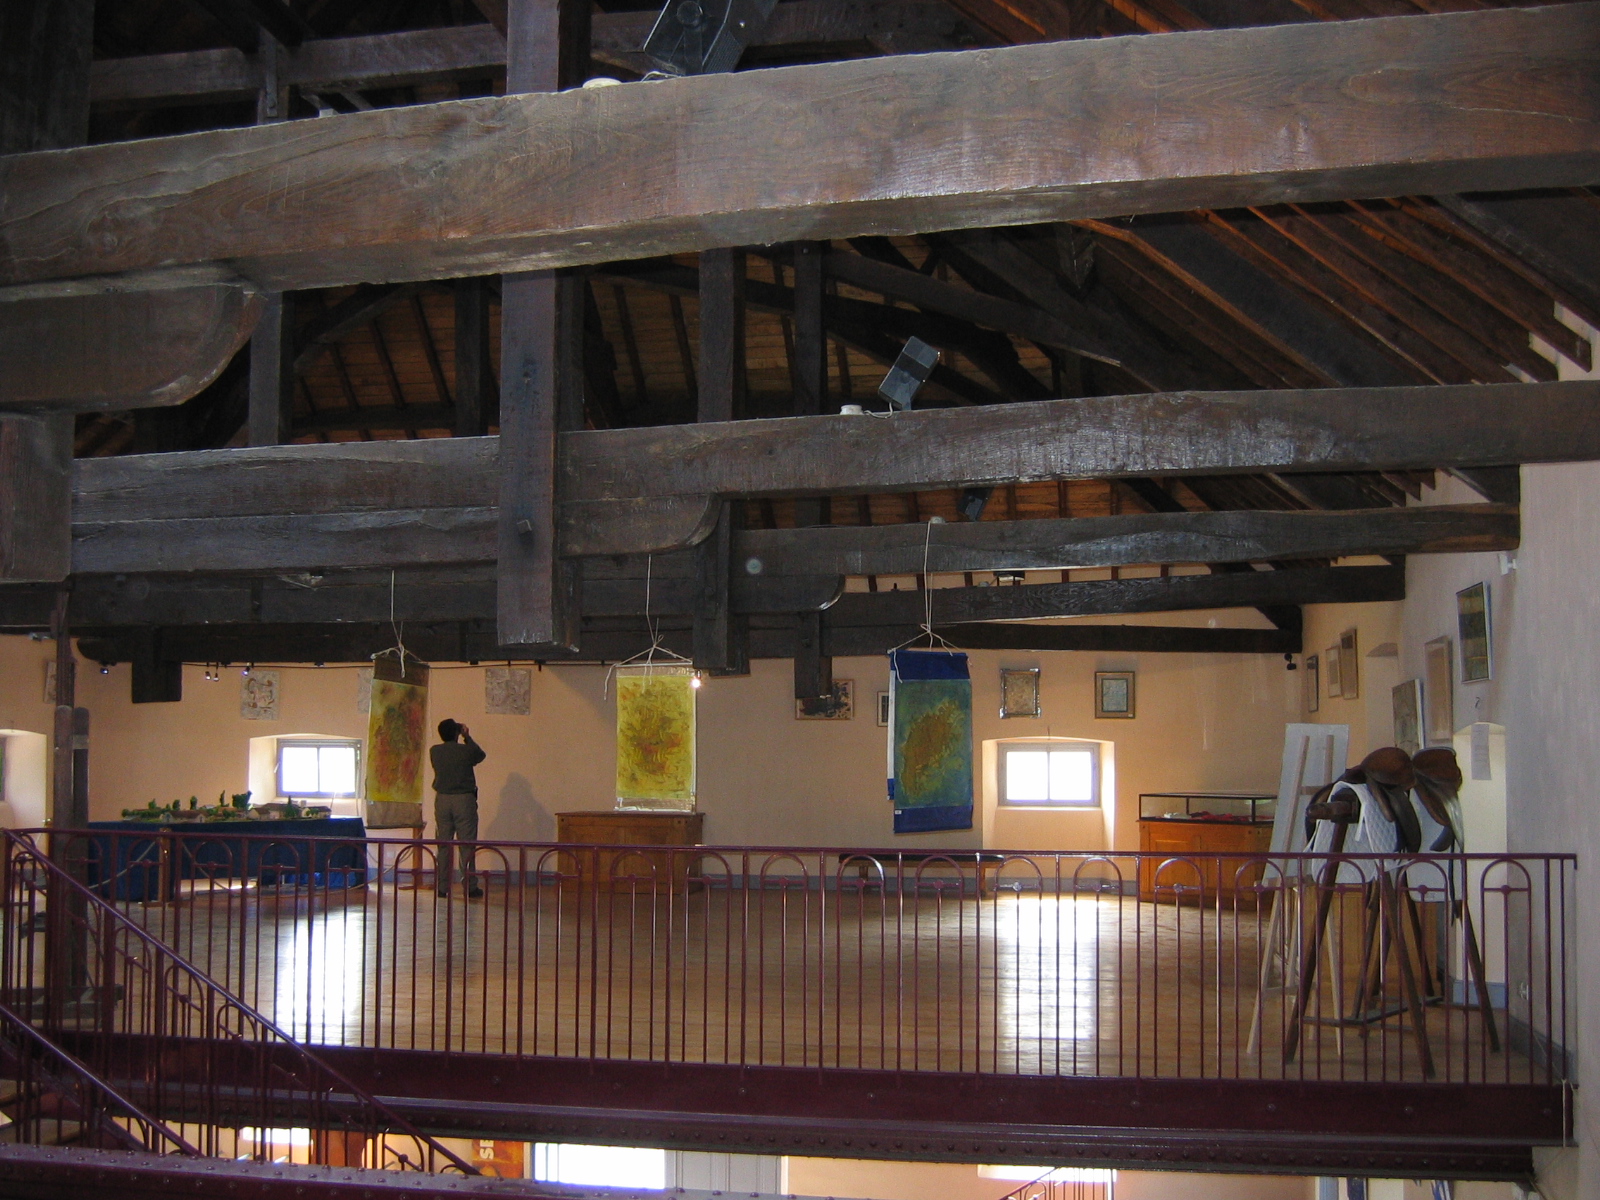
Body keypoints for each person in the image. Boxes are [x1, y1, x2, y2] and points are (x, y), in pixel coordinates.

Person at [430, 718, 486, 899]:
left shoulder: (435, 751)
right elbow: (480, 755)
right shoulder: (465, 750)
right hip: (463, 799)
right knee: (466, 845)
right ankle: (470, 886)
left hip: (442, 799)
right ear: (456, 733)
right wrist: (467, 736)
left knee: (443, 845)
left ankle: (442, 887)